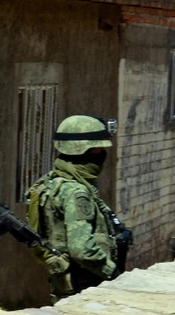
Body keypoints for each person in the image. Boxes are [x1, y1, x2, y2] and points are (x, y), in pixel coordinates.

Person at [27, 115, 130, 299]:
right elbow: (81, 249)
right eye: (98, 150)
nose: (102, 155)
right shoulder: (76, 192)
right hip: (85, 285)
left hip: (68, 282)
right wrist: (112, 273)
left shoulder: (51, 181)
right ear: (86, 152)